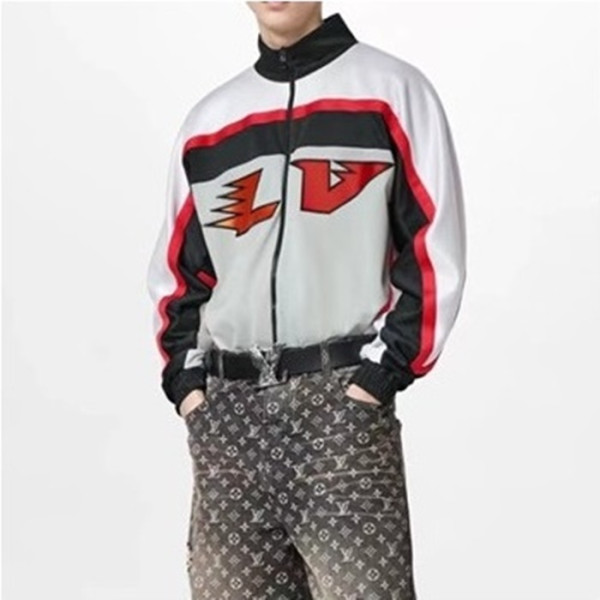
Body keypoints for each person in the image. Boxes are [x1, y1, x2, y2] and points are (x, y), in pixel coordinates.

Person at [146, 2, 466, 598]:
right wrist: (190, 390)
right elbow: (180, 276)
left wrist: (379, 376)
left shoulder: (391, 92)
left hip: (340, 409)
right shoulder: (209, 124)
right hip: (229, 418)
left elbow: (432, 245)